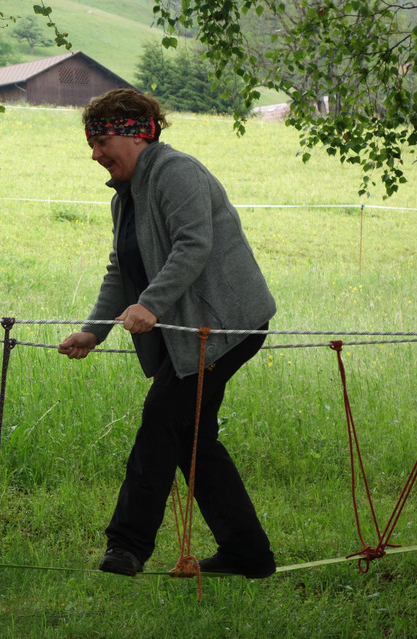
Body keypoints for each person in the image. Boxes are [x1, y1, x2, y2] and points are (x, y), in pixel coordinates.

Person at [58, 88, 277, 580]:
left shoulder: (177, 173)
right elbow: (122, 269)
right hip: (192, 331)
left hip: (227, 324)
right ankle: (248, 553)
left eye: (102, 141)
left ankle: (127, 546)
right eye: (91, 144)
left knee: (161, 420)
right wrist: (94, 331)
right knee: (192, 439)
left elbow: (192, 245)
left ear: (137, 135)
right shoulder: (126, 199)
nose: (94, 154)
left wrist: (151, 306)